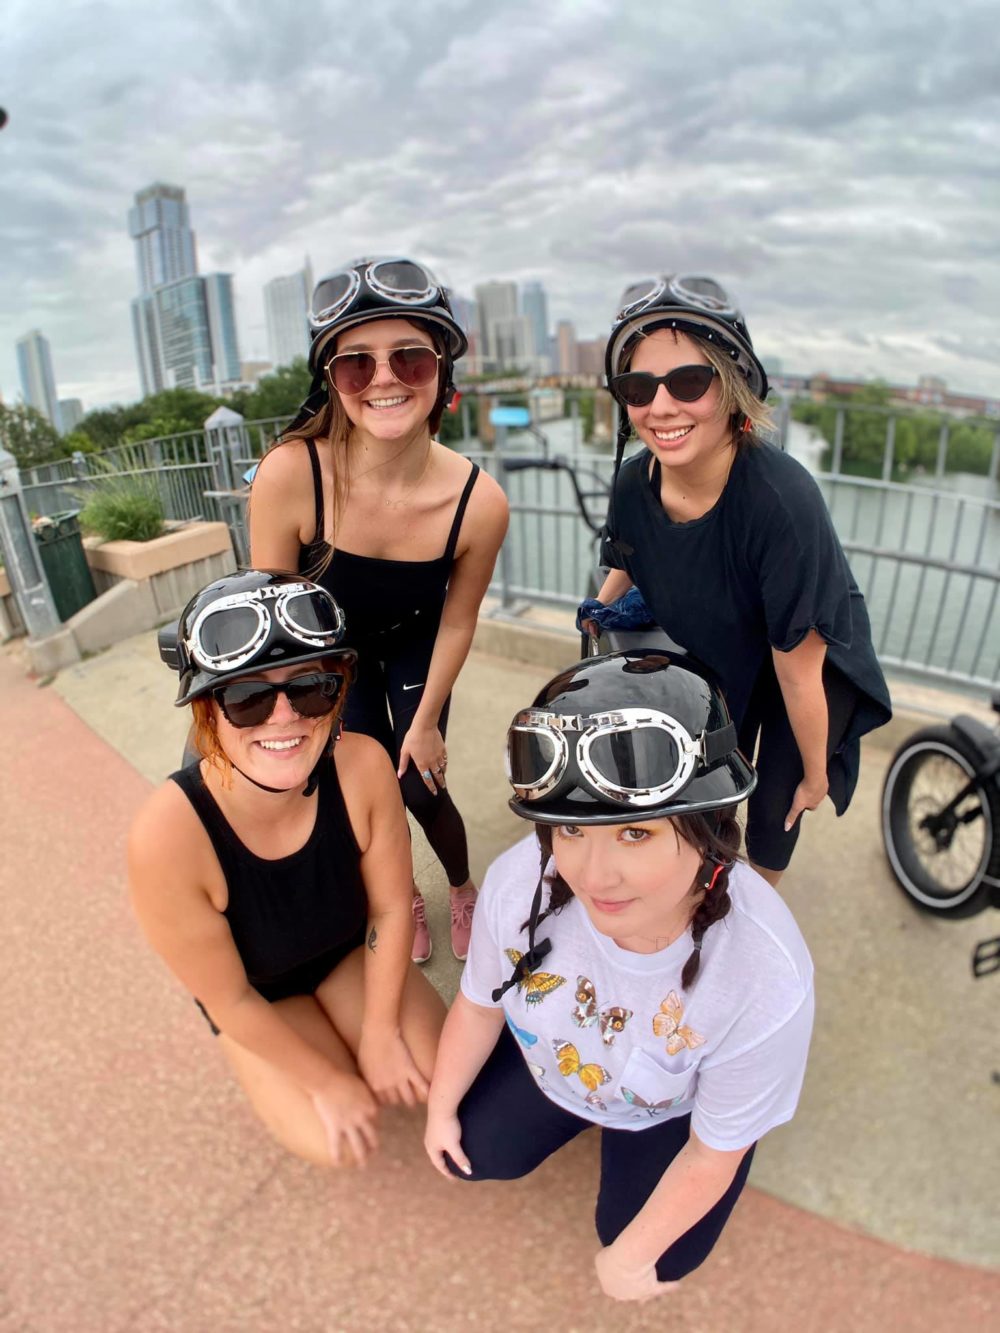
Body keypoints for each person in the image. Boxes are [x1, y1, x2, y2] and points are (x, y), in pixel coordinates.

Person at [425, 650, 814, 1302]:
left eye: (635, 832)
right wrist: (439, 1110)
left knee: (656, 1253)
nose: (593, 875)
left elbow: (711, 1155)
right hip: (556, 1065)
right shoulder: (521, 882)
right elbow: (479, 1004)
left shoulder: (765, 973)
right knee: (472, 1151)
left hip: (671, 1109)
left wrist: (627, 1259)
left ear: (710, 831)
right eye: (572, 830)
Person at [128, 570, 445, 1168]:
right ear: (207, 711)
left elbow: (389, 908)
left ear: (339, 690)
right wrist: (329, 1082)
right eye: (247, 699)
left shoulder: (363, 765)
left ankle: (351, 1030)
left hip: (347, 953)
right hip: (260, 992)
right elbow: (228, 1000)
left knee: (439, 1070)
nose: (284, 718)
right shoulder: (167, 835)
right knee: (332, 1140)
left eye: (312, 689)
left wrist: (379, 1034)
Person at [582, 274, 891, 885]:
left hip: (806, 663)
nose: (660, 407)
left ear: (732, 387)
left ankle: (751, 915)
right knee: (707, 791)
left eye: (688, 382)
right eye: (638, 388)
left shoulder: (781, 502)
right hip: (728, 643)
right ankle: (705, 894)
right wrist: (597, 609)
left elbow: (797, 670)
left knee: (775, 812)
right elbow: (629, 552)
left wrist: (815, 775)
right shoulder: (633, 483)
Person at [249, 257, 509, 962]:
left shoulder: (478, 502)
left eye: (410, 358)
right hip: (333, 652)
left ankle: (461, 886)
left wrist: (424, 725)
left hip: (418, 639)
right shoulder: (292, 474)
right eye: (356, 364)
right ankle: (405, 896)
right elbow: (275, 620)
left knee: (420, 786)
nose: (385, 379)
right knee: (367, 792)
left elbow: (458, 618)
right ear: (331, 381)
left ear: (442, 372)